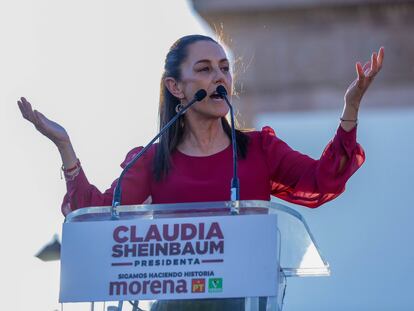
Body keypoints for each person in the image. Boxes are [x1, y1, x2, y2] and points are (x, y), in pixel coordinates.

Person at [18, 35, 384, 310]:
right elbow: (96, 215)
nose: (219, 77)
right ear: (176, 88)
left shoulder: (259, 150)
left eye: (224, 68)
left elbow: (324, 179)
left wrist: (350, 109)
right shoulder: (153, 159)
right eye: (205, 69)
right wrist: (64, 147)